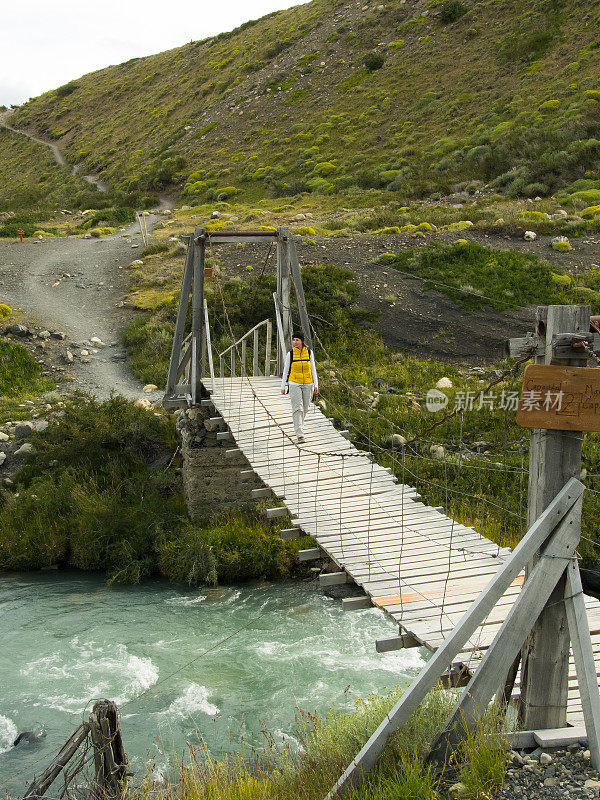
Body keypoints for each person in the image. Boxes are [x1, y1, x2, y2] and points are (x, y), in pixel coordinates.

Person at [281, 331, 319, 443]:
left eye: (297, 340)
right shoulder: (291, 354)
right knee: (297, 408)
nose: (294, 342)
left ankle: (299, 425)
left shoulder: (309, 353)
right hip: (294, 383)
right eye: (293, 340)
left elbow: (313, 369)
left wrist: (316, 384)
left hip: (308, 383)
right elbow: (285, 370)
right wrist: (283, 386)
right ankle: (299, 433)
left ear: (302, 341)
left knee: (306, 408)